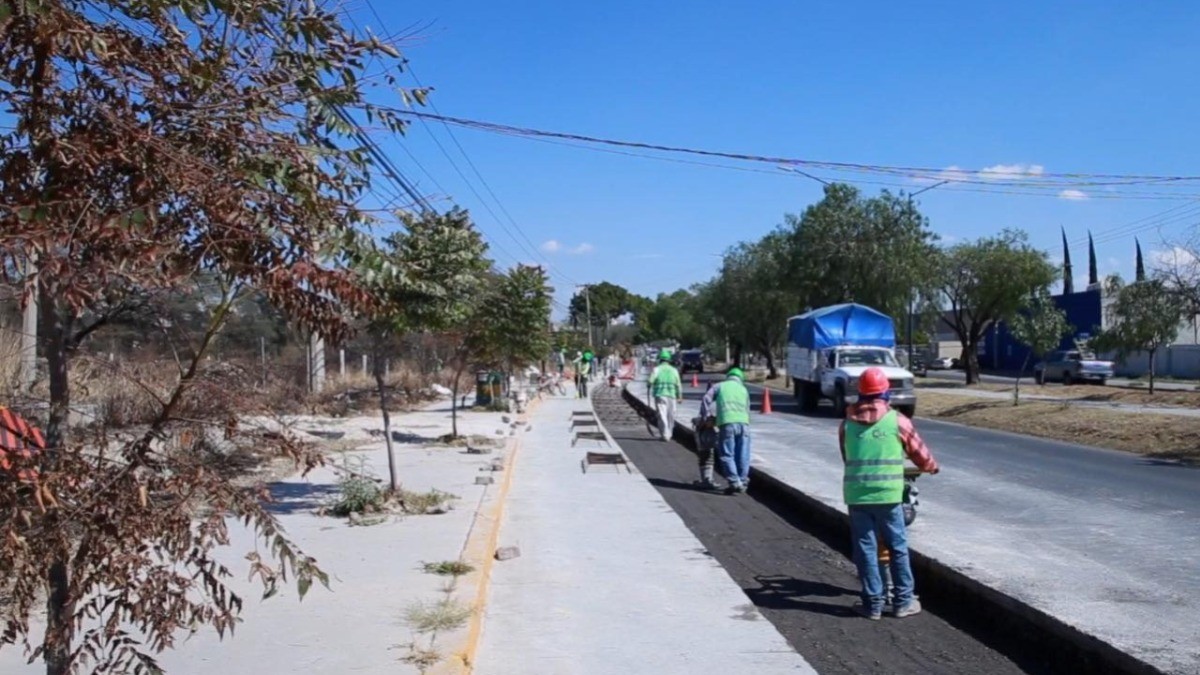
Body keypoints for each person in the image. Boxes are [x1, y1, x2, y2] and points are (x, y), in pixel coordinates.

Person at [839, 366, 939, 620]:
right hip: (888, 495)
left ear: (860, 393)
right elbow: (920, 454)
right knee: (897, 546)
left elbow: (847, 456)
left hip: (858, 495)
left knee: (866, 549)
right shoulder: (898, 421)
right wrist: (930, 467)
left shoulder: (846, 424)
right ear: (885, 393)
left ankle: (872, 604)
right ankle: (903, 601)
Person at [703, 367, 751, 494]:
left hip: (727, 423)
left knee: (727, 454)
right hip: (744, 424)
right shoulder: (743, 389)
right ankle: (743, 481)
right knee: (743, 454)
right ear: (740, 379)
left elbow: (706, 399)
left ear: (728, 376)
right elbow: (747, 408)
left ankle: (735, 482)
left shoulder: (720, 386)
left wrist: (706, 417)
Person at [647, 348, 683, 442]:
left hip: (660, 394)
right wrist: (679, 396)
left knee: (662, 415)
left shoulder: (657, 369)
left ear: (660, 359)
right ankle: (669, 434)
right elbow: (678, 384)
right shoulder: (674, 370)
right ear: (669, 360)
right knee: (671, 415)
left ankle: (665, 434)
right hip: (672, 395)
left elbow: (650, 381)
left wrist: (649, 385)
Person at [691, 381, 719, 489]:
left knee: (706, 455)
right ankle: (707, 479)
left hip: (710, 432)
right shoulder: (722, 402)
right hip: (718, 431)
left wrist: (698, 423)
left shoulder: (710, 402)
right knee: (708, 456)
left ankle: (706, 478)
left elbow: (707, 419)